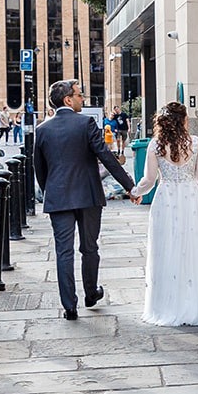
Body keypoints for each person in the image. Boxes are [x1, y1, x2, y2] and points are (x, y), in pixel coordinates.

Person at [34, 78, 137, 319]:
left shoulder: (42, 130)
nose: (83, 99)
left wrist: (52, 191)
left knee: (64, 252)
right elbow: (107, 157)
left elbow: (40, 170)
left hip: (58, 199)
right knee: (89, 247)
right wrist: (130, 187)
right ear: (68, 99)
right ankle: (91, 294)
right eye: (80, 95)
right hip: (88, 196)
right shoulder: (86, 123)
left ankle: (69, 306)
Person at [130, 101, 198, 326]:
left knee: (167, 248)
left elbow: (150, 180)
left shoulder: (156, 145)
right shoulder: (196, 144)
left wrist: (135, 192)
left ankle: (168, 305)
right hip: (190, 198)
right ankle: (196, 303)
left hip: (166, 199)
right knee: (193, 247)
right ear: (183, 121)